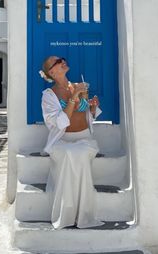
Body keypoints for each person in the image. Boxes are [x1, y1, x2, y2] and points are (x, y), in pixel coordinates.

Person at [39, 56, 103, 229]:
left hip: (84, 139)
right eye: (58, 60)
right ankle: (67, 213)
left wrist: (91, 107)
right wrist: (74, 97)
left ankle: (83, 213)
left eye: (63, 59)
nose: (63, 61)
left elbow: (87, 115)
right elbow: (60, 122)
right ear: (51, 72)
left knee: (80, 153)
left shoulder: (78, 86)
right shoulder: (48, 96)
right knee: (71, 154)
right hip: (62, 141)